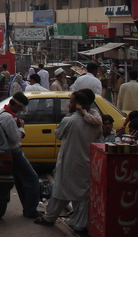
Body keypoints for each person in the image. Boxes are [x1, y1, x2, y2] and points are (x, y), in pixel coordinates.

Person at [35, 90, 102, 235]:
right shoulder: (95, 120)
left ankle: (49, 218)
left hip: (68, 162)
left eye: (71, 102)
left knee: (60, 193)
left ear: (78, 104)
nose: (69, 104)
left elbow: (58, 134)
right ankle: (79, 224)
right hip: (86, 163)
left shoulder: (69, 120)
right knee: (82, 196)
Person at [0, 92, 41, 218]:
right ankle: (31, 210)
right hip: (14, 152)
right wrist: (21, 127)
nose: (20, 111)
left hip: (12, 152)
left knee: (22, 181)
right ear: (16, 106)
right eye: (20, 108)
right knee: (32, 179)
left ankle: (28, 209)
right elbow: (16, 139)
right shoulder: (7, 118)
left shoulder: (4, 113)